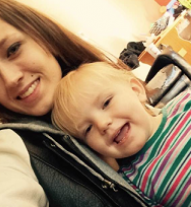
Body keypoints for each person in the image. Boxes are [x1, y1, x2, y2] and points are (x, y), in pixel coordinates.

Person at [0, 0, 148, 207]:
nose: (10, 78)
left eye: (13, 49)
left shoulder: (107, 82)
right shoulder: (7, 146)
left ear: (43, 36)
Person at [52, 62, 191, 207]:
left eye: (106, 103)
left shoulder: (185, 104)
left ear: (136, 90)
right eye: (88, 129)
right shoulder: (130, 184)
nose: (102, 124)